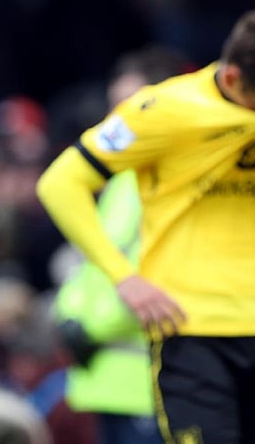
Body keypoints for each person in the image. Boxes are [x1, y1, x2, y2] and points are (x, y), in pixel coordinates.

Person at [36, 10, 255, 444]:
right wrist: (124, 278)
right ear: (231, 79)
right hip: (189, 329)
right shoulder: (163, 110)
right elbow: (60, 183)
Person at [50, 46, 188, 444]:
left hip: (149, 388)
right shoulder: (121, 181)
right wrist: (68, 315)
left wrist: (88, 327)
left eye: (130, 107)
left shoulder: (173, 181)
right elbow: (92, 263)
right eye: (115, 108)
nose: (117, 122)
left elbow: (157, 274)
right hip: (103, 381)